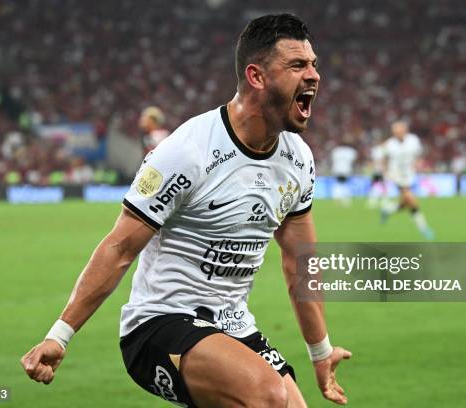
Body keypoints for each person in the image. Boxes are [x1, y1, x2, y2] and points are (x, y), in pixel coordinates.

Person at [21, 13, 352, 407]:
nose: (313, 75)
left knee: (291, 404)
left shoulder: (298, 159)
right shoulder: (188, 152)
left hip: (232, 324)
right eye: (297, 65)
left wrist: (320, 351)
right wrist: (59, 335)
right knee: (267, 397)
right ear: (256, 76)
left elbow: (301, 261)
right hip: (160, 324)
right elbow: (121, 246)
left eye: (313, 64)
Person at [380, 120, 434, 240]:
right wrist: (386, 172)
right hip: (397, 175)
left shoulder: (413, 140)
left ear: (405, 130)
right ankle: (424, 228)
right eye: (395, 132)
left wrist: (420, 164)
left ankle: (388, 210)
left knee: (405, 203)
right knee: (411, 200)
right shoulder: (390, 144)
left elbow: (418, 155)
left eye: (399, 131)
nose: (397, 133)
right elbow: (384, 159)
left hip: (410, 174)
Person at [330, 142, 357, 206]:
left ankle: (337, 199)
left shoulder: (336, 151)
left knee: (338, 184)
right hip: (346, 171)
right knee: (345, 185)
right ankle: (346, 200)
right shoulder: (350, 151)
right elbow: (354, 160)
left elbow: (332, 160)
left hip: (337, 170)